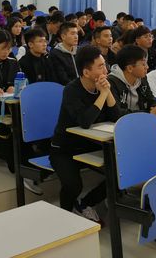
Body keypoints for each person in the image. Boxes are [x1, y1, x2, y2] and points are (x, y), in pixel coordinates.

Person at [50, 45, 120, 221]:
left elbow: (116, 117)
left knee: (119, 174)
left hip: (90, 145)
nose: (105, 70)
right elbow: (85, 121)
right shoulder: (71, 90)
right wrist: (103, 94)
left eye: (105, 65)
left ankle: (85, 203)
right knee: (73, 185)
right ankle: (65, 216)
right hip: (64, 149)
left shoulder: (103, 86)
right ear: (86, 72)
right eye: (100, 66)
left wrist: (107, 92)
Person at [107, 45, 156, 118]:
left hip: (140, 119)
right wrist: (148, 113)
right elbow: (116, 113)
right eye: (143, 64)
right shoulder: (112, 82)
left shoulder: (142, 78)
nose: (147, 67)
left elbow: (151, 100)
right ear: (130, 68)